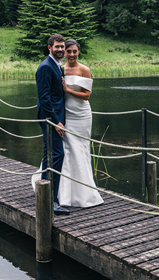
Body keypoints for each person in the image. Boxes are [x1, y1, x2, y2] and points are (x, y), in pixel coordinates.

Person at [58, 38, 103, 207]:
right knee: (67, 150)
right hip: (66, 114)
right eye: (68, 51)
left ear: (78, 52)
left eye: (74, 51)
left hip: (81, 115)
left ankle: (84, 192)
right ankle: (65, 193)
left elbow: (87, 95)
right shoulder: (61, 69)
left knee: (80, 149)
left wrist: (68, 89)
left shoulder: (84, 69)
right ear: (64, 52)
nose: (71, 54)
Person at [32, 34, 69, 215]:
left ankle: (45, 196)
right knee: (57, 155)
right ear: (49, 48)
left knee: (50, 156)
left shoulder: (56, 65)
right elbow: (45, 99)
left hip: (53, 116)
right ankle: (52, 201)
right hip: (49, 117)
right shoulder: (46, 67)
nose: (61, 49)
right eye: (57, 47)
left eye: (62, 46)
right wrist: (56, 122)